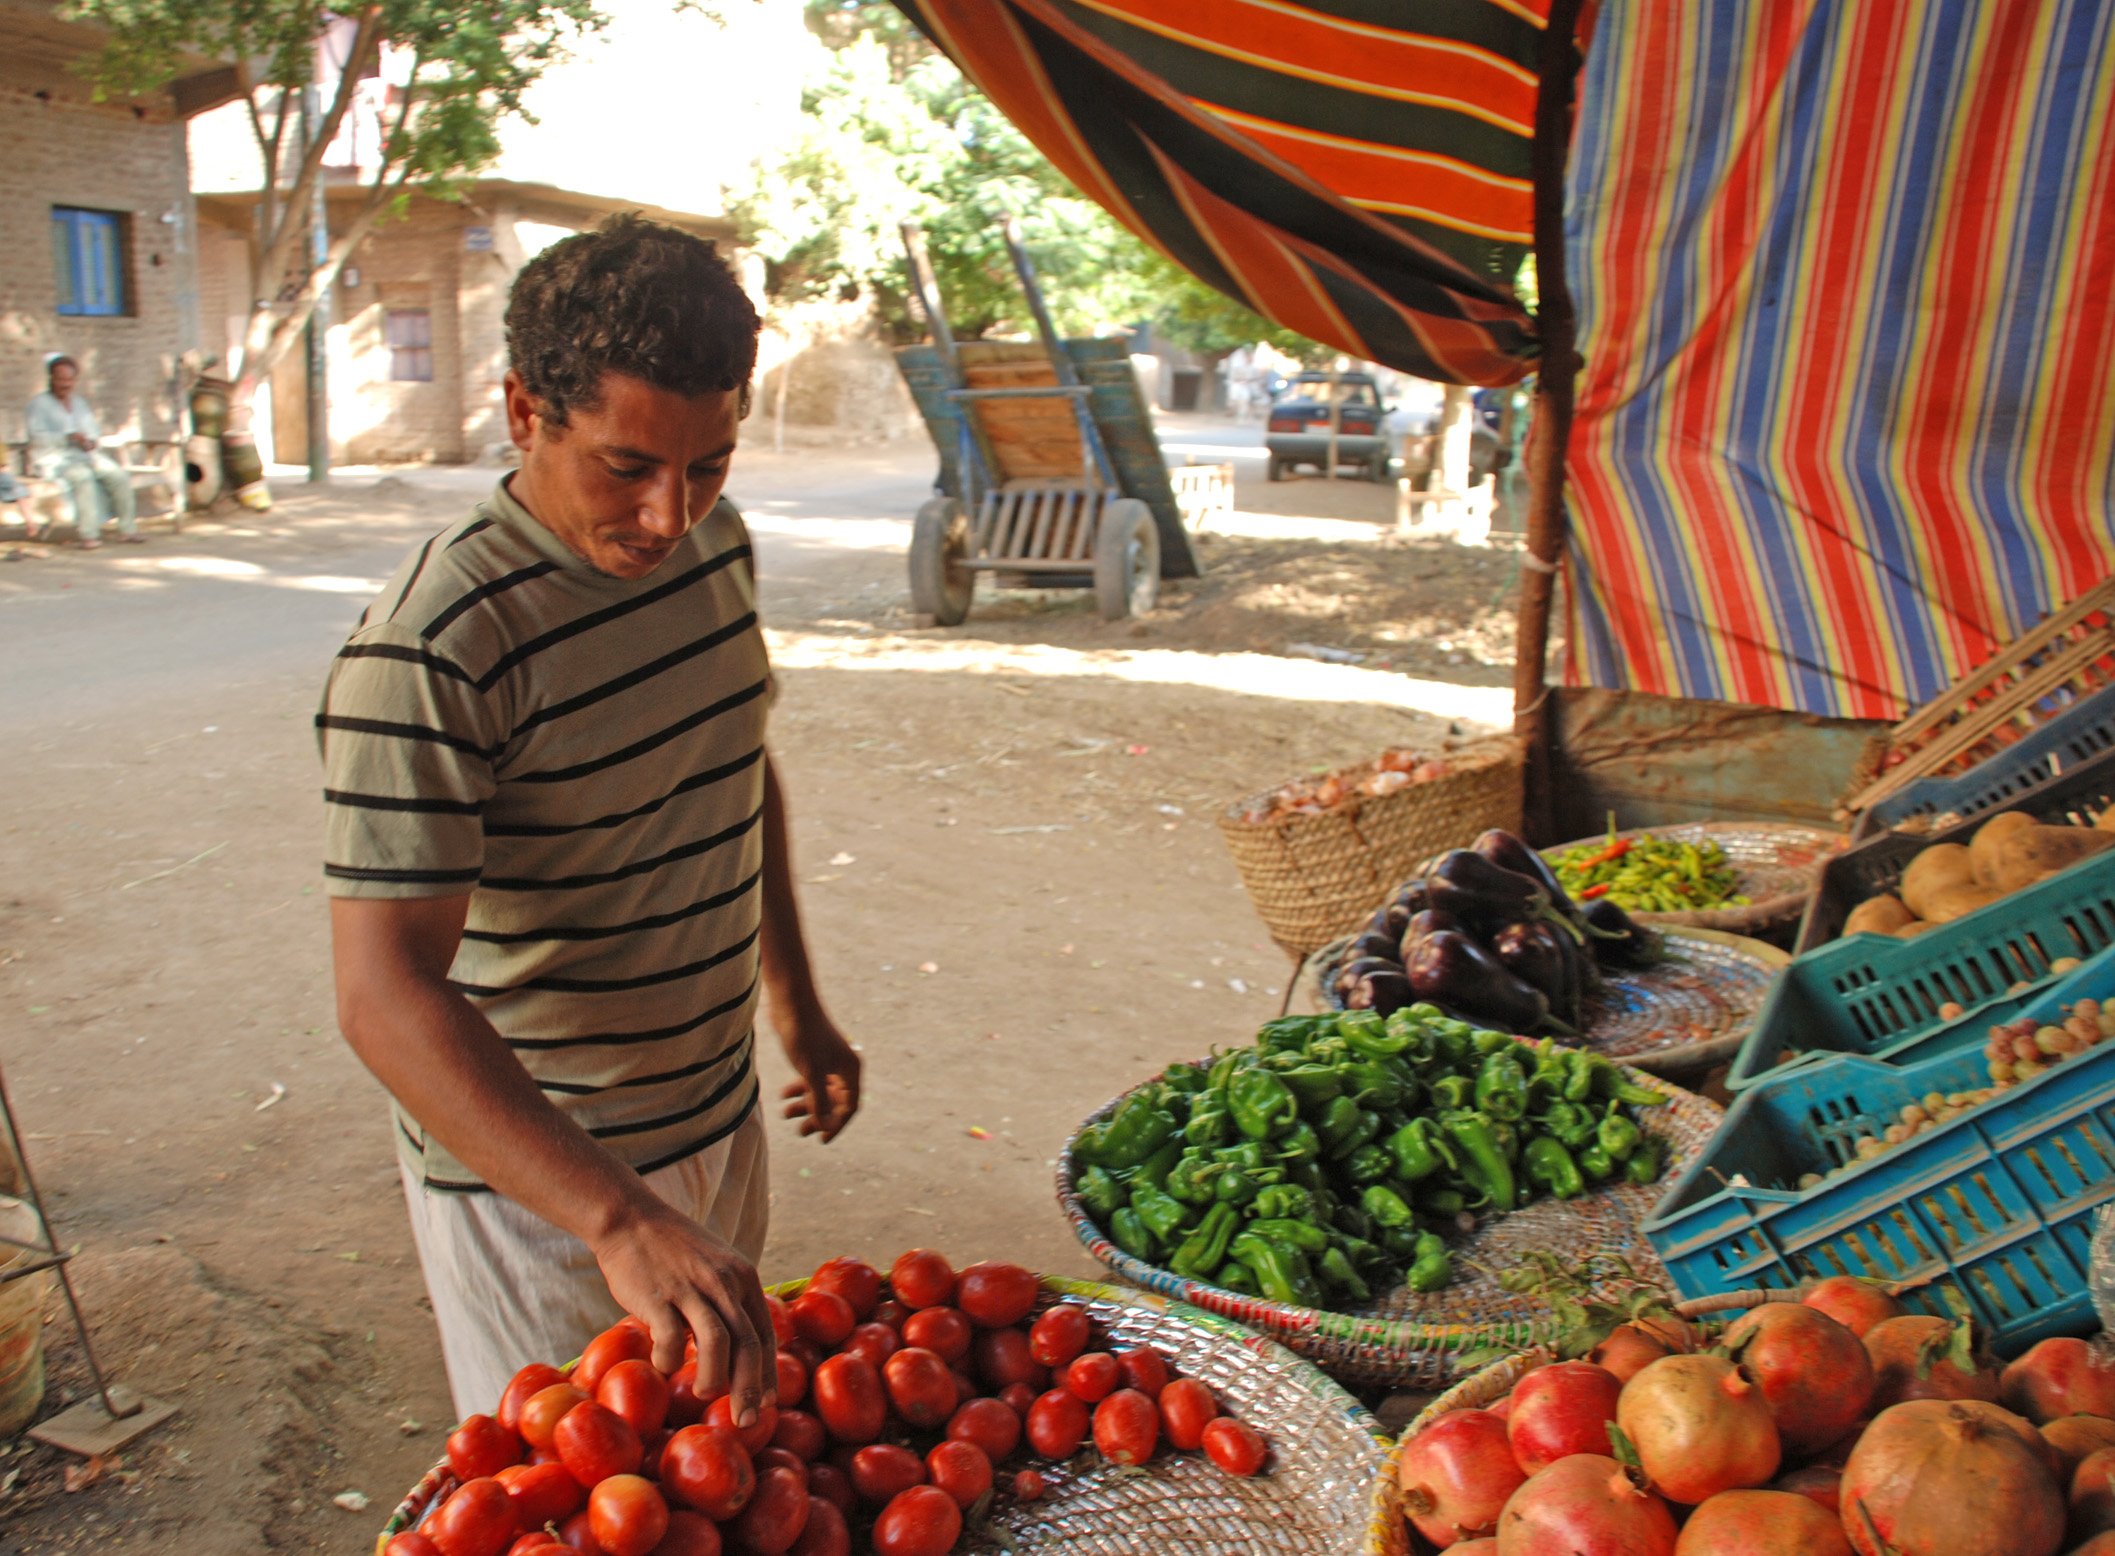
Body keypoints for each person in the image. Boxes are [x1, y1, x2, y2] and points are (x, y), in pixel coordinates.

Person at [319, 215, 860, 1427]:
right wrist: (613, 1215)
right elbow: (381, 993)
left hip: (716, 1122)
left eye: (709, 462)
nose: (670, 514)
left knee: (725, 1473)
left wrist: (796, 1005)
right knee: (581, 1501)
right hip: (544, 1191)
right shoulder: (434, 644)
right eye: (627, 465)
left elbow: (732, 771)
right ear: (524, 410)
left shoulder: (715, 544)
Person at [26, 355, 139, 550]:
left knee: (117, 475)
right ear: (51, 378)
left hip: (83, 455)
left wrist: (92, 441)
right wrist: (67, 437)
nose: (65, 384)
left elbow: (93, 430)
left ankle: (127, 530)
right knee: (83, 477)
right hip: (53, 459)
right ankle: (89, 534)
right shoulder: (39, 404)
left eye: (69, 380)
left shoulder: (79, 404)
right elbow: (37, 439)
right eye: (61, 379)